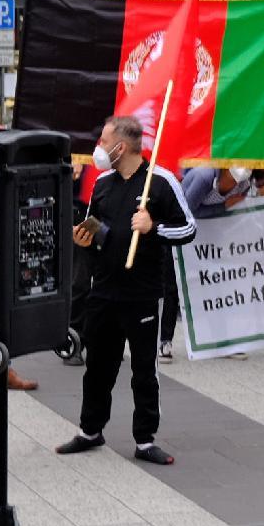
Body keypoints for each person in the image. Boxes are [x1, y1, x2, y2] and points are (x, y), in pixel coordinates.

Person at [59, 115, 191, 465]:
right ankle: (91, 430)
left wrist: (154, 227)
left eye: (103, 142)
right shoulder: (101, 184)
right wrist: (84, 238)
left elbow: (189, 229)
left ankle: (145, 439)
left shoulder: (160, 182)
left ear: (122, 146)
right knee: (98, 365)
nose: (98, 149)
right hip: (103, 290)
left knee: (144, 369)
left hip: (143, 292)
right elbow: (98, 232)